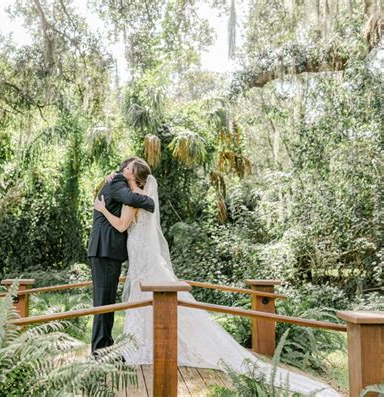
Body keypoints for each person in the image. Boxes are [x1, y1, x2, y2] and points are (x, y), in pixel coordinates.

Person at [94, 174, 340, 397]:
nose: (121, 175)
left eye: (126, 172)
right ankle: (129, 344)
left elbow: (122, 225)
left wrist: (103, 209)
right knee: (139, 300)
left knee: (143, 298)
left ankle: (136, 345)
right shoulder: (139, 196)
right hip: (138, 258)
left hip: (140, 259)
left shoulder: (133, 198)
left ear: (134, 177)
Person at [87, 156, 154, 356]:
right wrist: (151, 201)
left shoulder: (118, 181)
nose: (126, 168)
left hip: (107, 250)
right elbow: (132, 199)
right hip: (104, 249)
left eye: (131, 167)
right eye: (127, 166)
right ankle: (100, 351)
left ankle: (105, 346)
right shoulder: (117, 180)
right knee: (103, 301)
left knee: (106, 301)